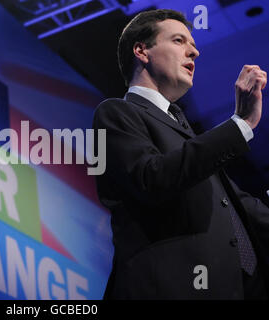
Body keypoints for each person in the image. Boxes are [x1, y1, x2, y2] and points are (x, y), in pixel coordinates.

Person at [92, 9, 268, 299]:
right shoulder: (116, 113)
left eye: (193, 44)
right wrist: (240, 124)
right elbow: (152, 178)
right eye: (179, 40)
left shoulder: (187, 135)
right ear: (142, 51)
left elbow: (239, 205)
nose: (195, 52)